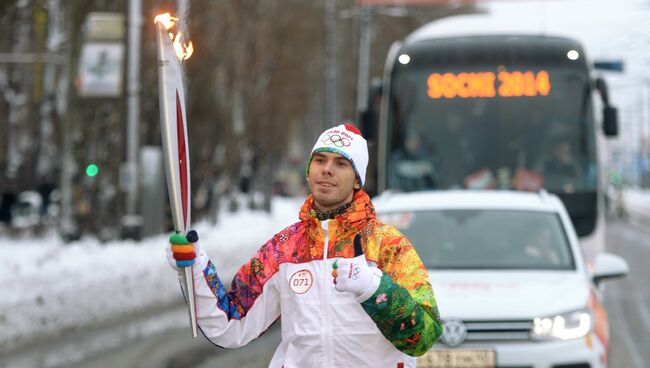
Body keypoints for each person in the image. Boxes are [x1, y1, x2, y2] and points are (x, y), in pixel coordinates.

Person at [167, 123, 443, 367]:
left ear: (357, 179)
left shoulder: (387, 245)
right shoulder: (284, 249)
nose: (327, 169)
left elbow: (423, 336)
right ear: (309, 171)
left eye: (341, 164)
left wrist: (374, 289)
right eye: (320, 160)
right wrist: (194, 267)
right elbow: (231, 325)